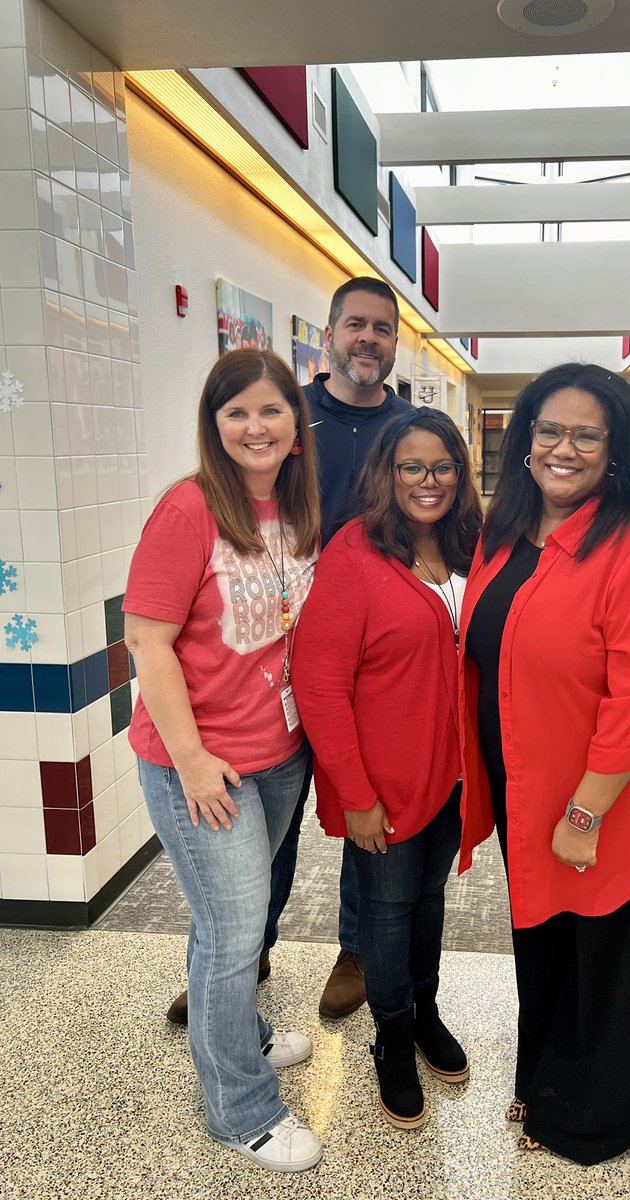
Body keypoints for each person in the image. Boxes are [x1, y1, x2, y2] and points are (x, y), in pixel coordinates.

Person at [458, 363, 630, 1164]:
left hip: (602, 802)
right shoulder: (508, 528)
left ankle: (598, 1122)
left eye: (586, 434)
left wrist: (585, 811)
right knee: (545, 945)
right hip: (530, 793)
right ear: (523, 440)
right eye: (548, 430)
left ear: (616, 447)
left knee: (607, 961)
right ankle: (545, 1085)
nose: (564, 447)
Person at [165, 276, 410, 1027]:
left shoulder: (411, 426)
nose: (368, 339)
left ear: (395, 341)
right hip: (280, 657)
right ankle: (249, 944)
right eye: (355, 325)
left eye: (383, 328)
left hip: (370, 660)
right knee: (270, 819)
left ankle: (356, 950)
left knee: (362, 806)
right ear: (331, 333)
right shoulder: (294, 417)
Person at [124, 350, 323, 1173]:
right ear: (214, 426)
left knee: (239, 925)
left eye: (271, 410)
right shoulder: (188, 508)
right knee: (233, 932)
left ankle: (243, 1032)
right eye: (235, 412)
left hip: (278, 756)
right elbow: (147, 640)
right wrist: (194, 760)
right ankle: (239, 1109)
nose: (255, 427)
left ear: (295, 426)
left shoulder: (296, 509)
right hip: (202, 769)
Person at [294, 408, 483, 1128]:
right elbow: (318, 682)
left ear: (460, 474)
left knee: (428, 901)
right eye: (412, 467)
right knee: (387, 908)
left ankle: (425, 1012)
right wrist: (356, 793)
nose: (428, 481)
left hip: (453, 776)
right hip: (383, 783)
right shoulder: (356, 552)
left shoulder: (473, 543)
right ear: (388, 474)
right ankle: (393, 1039)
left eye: (442, 467)